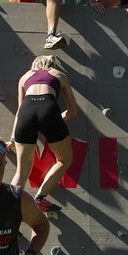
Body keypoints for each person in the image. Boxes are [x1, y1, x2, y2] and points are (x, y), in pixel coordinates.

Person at [8, 55, 78, 213]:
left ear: (34, 64)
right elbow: (73, 111)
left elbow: (20, 112)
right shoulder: (59, 75)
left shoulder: (24, 77)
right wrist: (54, 120)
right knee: (64, 160)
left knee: (22, 171)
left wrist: (13, 138)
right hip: (49, 109)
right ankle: (39, 197)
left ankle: (8, 210)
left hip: (27, 112)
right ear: (52, 65)